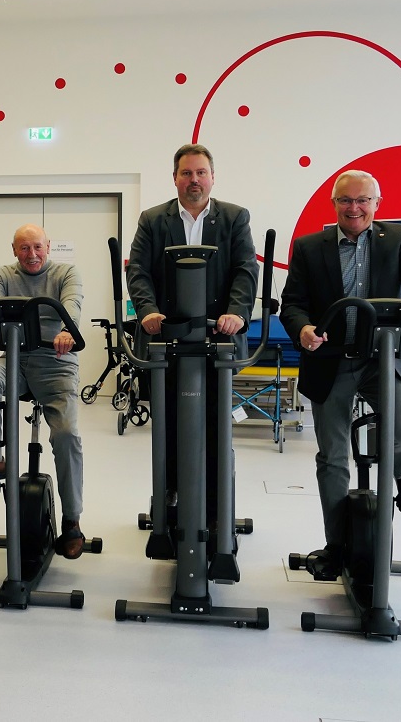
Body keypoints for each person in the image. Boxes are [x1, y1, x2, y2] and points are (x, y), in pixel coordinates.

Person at [280, 170, 401, 575]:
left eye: (363, 200)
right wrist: (303, 329)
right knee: (332, 458)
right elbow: (292, 302)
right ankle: (335, 545)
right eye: (346, 201)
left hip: (380, 357)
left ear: (376, 204)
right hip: (330, 361)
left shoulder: (396, 238)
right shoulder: (309, 247)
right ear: (333, 205)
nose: (354, 208)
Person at [125, 144, 258, 519]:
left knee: (216, 424)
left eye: (200, 173)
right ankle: (168, 498)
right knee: (167, 424)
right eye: (186, 173)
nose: (194, 180)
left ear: (212, 177)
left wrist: (237, 313)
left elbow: (245, 270)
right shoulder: (153, 219)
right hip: (165, 341)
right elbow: (138, 271)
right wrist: (147, 311)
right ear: (175, 179)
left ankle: (216, 506)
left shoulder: (234, 217)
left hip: (218, 340)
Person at [0, 224, 88, 558]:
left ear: (48, 246)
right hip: (17, 360)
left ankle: (72, 520)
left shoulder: (66, 272)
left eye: (37, 247)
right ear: (14, 249)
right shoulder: (3, 274)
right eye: (24, 248)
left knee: (67, 437)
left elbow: (73, 304)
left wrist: (67, 330)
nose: (31, 254)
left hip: (58, 363)